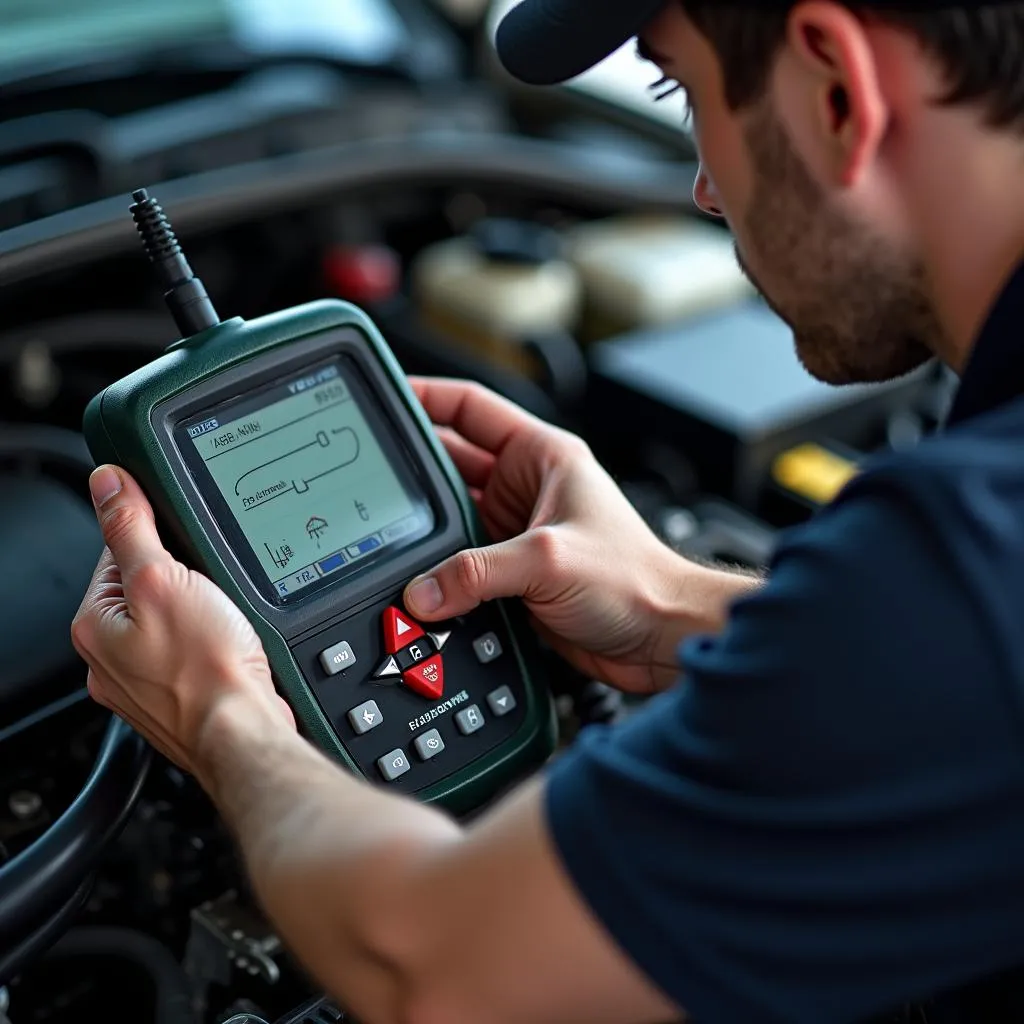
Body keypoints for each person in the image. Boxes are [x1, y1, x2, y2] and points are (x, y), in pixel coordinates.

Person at [70, 0, 1024, 1021]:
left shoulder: (964, 562)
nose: (702, 188)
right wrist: (673, 609)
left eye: (682, 91)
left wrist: (220, 712)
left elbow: (430, 967)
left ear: (836, 87)